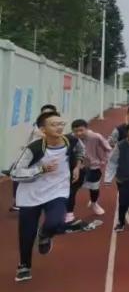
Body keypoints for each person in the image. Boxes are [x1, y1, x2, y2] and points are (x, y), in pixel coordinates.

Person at [12, 112, 86, 283]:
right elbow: (15, 173)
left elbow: (80, 151)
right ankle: (24, 265)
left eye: (61, 123)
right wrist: (41, 169)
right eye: (53, 125)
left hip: (57, 190)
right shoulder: (34, 148)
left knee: (56, 221)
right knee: (27, 233)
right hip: (31, 194)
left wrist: (77, 166)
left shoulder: (71, 141)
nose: (59, 127)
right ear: (43, 129)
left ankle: (45, 234)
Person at [70, 119, 111, 219]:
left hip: (93, 166)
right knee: (72, 189)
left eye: (81, 130)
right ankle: (69, 212)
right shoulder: (71, 138)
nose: (78, 133)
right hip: (78, 167)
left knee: (94, 188)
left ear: (87, 128)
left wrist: (104, 161)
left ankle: (94, 204)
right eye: (75, 131)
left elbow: (108, 148)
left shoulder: (95, 137)